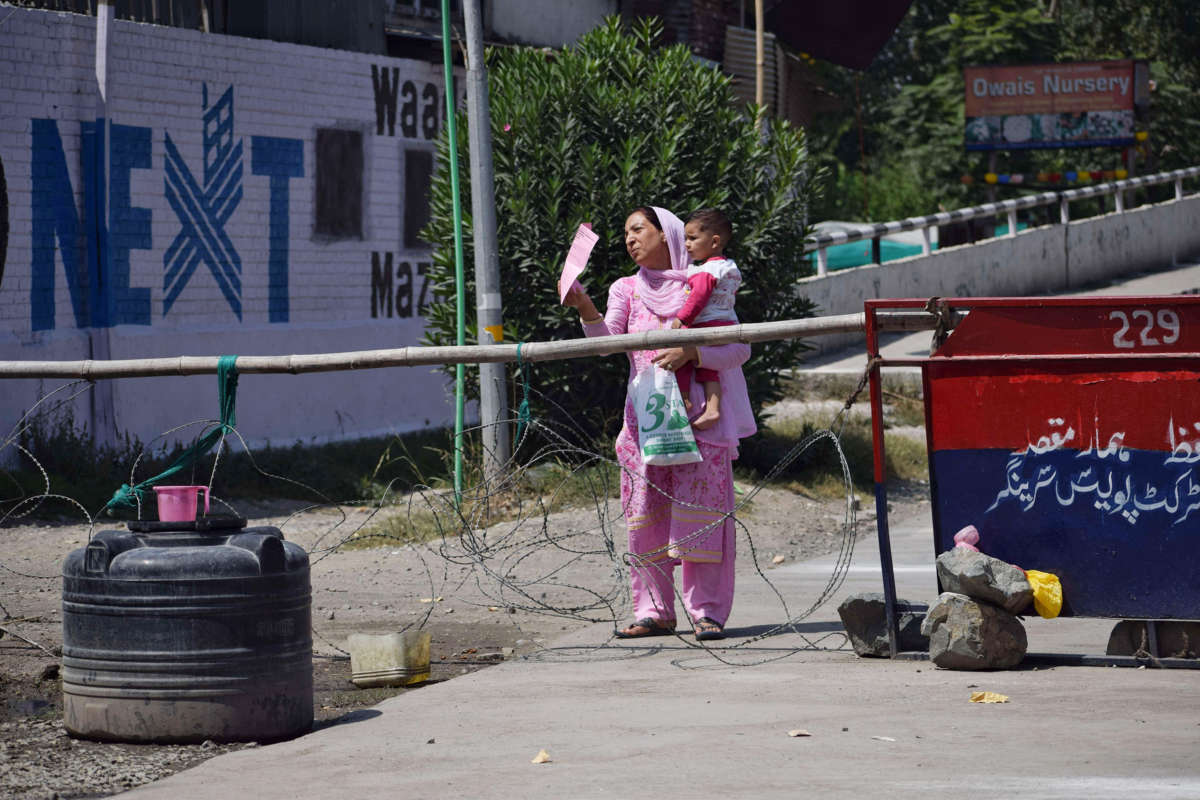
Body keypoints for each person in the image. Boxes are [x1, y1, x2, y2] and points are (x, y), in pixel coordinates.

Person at [562, 206, 756, 641]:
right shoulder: (626, 289)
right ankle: (653, 611)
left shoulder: (703, 283)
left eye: (638, 230)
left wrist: (693, 354)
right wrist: (585, 306)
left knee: (701, 518)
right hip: (644, 423)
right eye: (625, 234)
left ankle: (707, 612)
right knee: (646, 516)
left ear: (666, 234)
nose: (630, 240)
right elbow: (606, 346)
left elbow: (738, 349)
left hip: (700, 423)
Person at [672, 208, 741, 431]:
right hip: (727, 323)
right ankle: (712, 409)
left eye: (692, 238)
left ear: (714, 241)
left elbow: (699, 297)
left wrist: (682, 318)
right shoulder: (729, 267)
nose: (687, 244)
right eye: (685, 239)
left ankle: (682, 399)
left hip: (706, 324)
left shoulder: (707, 270)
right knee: (708, 368)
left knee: (680, 356)